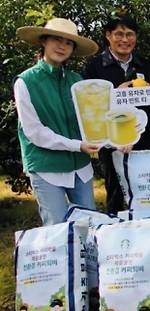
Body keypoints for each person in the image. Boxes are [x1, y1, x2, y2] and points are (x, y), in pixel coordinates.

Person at [14, 18, 101, 225]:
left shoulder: (76, 81)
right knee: (57, 230)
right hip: (46, 167)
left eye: (69, 42)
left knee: (89, 226)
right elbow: (34, 132)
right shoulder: (25, 82)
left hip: (80, 167)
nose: (62, 46)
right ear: (44, 41)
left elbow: (92, 120)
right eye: (56, 39)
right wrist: (77, 145)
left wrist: (114, 138)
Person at [82, 15, 150, 214]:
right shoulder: (95, 68)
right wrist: (117, 93)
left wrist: (148, 93)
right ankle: (115, 232)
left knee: (145, 189)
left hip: (142, 140)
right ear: (108, 36)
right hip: (111, 141)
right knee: (115, 191)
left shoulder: (145, 67)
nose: (125, 40)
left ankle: (146, 229)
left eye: (130, 34)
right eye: (119, 34)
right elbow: (90, 106)